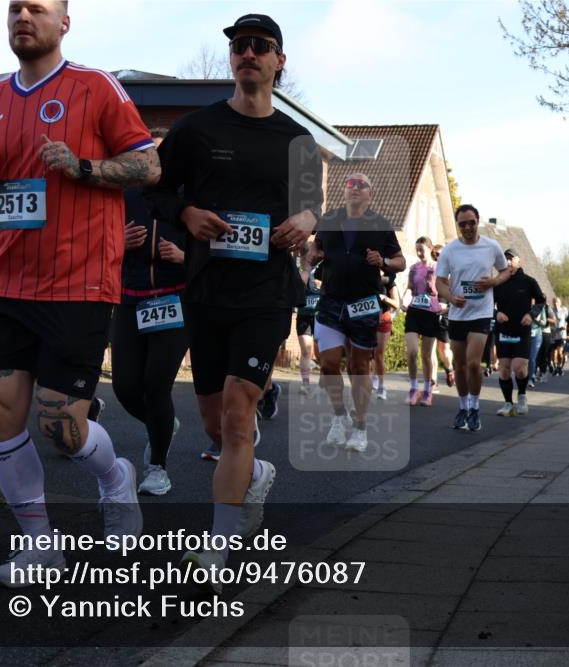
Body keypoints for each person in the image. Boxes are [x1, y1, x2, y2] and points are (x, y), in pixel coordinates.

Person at [0, 0, 160, 586]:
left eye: (38, 9)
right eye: (16, 8)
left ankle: (115, 477)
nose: (24, 16)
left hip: (78, 282)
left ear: (63, 23)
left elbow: (148, 166)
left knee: (60, 426)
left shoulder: (95, 87)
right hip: (2, 280)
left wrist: (84, 167)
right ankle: (40, 545)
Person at [155, 13, 324, 585]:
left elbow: (312, 203)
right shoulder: (196, 129)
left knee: (235, 411)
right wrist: (186, 213)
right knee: (213, 420)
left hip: (267, 292)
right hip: (206, 289)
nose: (247, 52)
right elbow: (156, 188)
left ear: (280, 62)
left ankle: (217, 548)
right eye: (239, 45)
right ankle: (252, 473)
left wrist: (305, 217)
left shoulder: (296, 142)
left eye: (260, 46)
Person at [112, 128, 188, 496]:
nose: (153, 164)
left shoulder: (187, 199)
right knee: (126, 387)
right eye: (147, 157)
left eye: (160, 157)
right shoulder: (124, 196)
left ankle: (158, 467)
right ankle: (162, 423)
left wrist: (185, 256)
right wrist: (117, 242)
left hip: (174, 300)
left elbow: (213, 245)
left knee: (157, 384)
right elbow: (96, 241)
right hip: (130, 297)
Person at [314, 173, 404, 450]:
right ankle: (340, 417)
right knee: (328, 363)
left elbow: (400, 262)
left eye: (361, 185)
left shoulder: (380, 225)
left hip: (363, 303)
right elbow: (316, 246)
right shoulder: (329, 219)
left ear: (370, 193)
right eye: (350, 185)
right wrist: (312, 255)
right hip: (331, 299)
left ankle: (361, 428)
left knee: (358, 366)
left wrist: (384, 260)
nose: (354, 188)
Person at [436, 204, 509, 431]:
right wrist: (450, 296)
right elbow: (439, 281)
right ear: (458, 225)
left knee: (473, 363)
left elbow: (505, 270)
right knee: (458, 364)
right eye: (462, 224)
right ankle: (463, 406)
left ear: (478, 221)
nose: (467, 227)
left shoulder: (491, 246)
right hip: (458, 313)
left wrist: (493, 282)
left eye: (471, 223)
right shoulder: (450, 250)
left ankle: (475, 407)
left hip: (481, 312)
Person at [493, 249, 546, 417]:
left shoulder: (528, 281)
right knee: (504, 369)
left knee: (520, 368)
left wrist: (531, 315)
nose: (508, 262)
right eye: (505, 259)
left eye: (511, 259)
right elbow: (488, 304)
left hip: (522, 330)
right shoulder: (497, 282)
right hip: (503, 330)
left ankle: (522, 396)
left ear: (518, 261)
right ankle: (508, 403)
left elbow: (541, 301)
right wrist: (496, 314)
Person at [401, 236, 443, 406]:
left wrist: (445, 305)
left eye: (421, 250)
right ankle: (413, 388)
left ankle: (427, 390)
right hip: (414, 312)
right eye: (417, 249)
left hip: (430, 314)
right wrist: (404, 302)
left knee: (426, 355)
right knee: (412, 351)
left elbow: (444, 290)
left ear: (430, 249)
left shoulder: (438, 268)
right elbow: (410, 289)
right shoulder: (413, 268)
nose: (419, 253)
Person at [296, 240, 322, 396]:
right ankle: (305, 384)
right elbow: (297, 289)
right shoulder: (299, 270)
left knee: (322, 352)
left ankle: (324, 378)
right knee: (306, 350)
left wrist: (322, 285)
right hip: (304, 315)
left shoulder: (322, 268)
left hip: (321, 316)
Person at [372, 268, 400, 401]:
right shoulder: (367, 277)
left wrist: (384, 298)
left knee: (378, 354)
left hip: (383, 318)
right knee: (366, 354)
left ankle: (382, 387)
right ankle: (370, 380)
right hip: (367, 318)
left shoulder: (389, 281)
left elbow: (396, 304)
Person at [432, 243, 455, 388]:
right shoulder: (429, 271)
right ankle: (432, 382)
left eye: (439, 255)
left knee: (443, 349)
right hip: (429, 312)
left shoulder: (451, 273)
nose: (436, 257)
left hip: (444, 313)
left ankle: (449, 369)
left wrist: (449, 306)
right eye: (434, 255)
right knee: (430, 350)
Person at [551, 296, 568, 375]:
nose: (555, 303)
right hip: (553, 334)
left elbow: (568, 320)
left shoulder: (564, 310)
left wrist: (566, 326)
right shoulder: (551, 311)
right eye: (554, 302)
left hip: (562, 334)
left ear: (560, 303)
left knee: (560, 352)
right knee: (554, 353)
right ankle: (556, 368)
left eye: (557, 302)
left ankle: (560, 366)